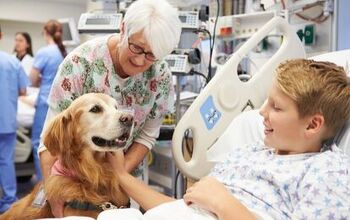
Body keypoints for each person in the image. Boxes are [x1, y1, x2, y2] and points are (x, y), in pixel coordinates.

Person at [105, 59, 350, 220]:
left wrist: (222, 202)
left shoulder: (326, 172)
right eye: (266, 101)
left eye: (276, 107)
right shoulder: (251, 153)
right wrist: (121, 177)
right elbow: (184, 208)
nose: (262, 112)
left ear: (313, 124)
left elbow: (211, 202)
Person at [38, 0, 181, 217]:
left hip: (123, 182)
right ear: (123, 28)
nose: (141, 61)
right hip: (72, 181)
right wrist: (55, 200)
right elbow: (51, 138)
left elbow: (147, 136)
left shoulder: (160, 76)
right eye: (137, 47)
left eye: (152, 55)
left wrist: (118, 175)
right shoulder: (79, 64)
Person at [30, 19, 67, 182]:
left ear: (45, 32)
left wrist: (40, 81)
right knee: (57, 147)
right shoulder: (63, 52)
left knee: (40, 145)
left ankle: (43, 186)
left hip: (45, 102)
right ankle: (56, 182)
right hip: (62, 104)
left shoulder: (44, 52)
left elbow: (31, 79)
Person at [0, 25, 29, 213]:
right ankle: (9, 201)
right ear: (1, 35)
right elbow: (23, 91)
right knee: (5, 161)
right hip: (6, 121)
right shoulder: (12, 62)